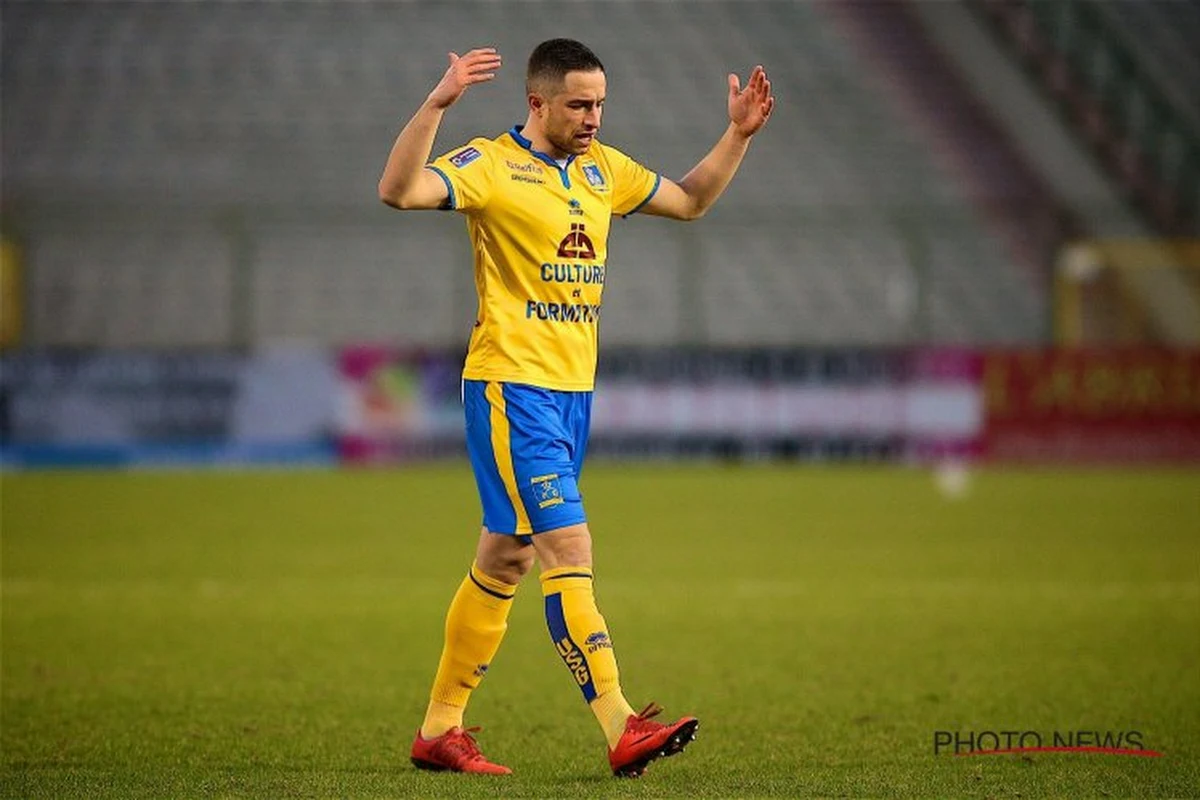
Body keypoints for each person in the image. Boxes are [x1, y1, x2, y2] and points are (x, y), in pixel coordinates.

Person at [378, 38, 774, 777]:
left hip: (570, 395)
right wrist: (436, 106)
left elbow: (688, 200)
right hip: (510, 388)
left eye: (600, 104)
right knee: (569, 550)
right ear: (537, 102)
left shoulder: (603, 170)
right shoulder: (491, 164)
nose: (594, 117)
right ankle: (622, 724)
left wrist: (737, 136)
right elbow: (399, 191)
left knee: (507, 556)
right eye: (579, 104)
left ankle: (439, 729)